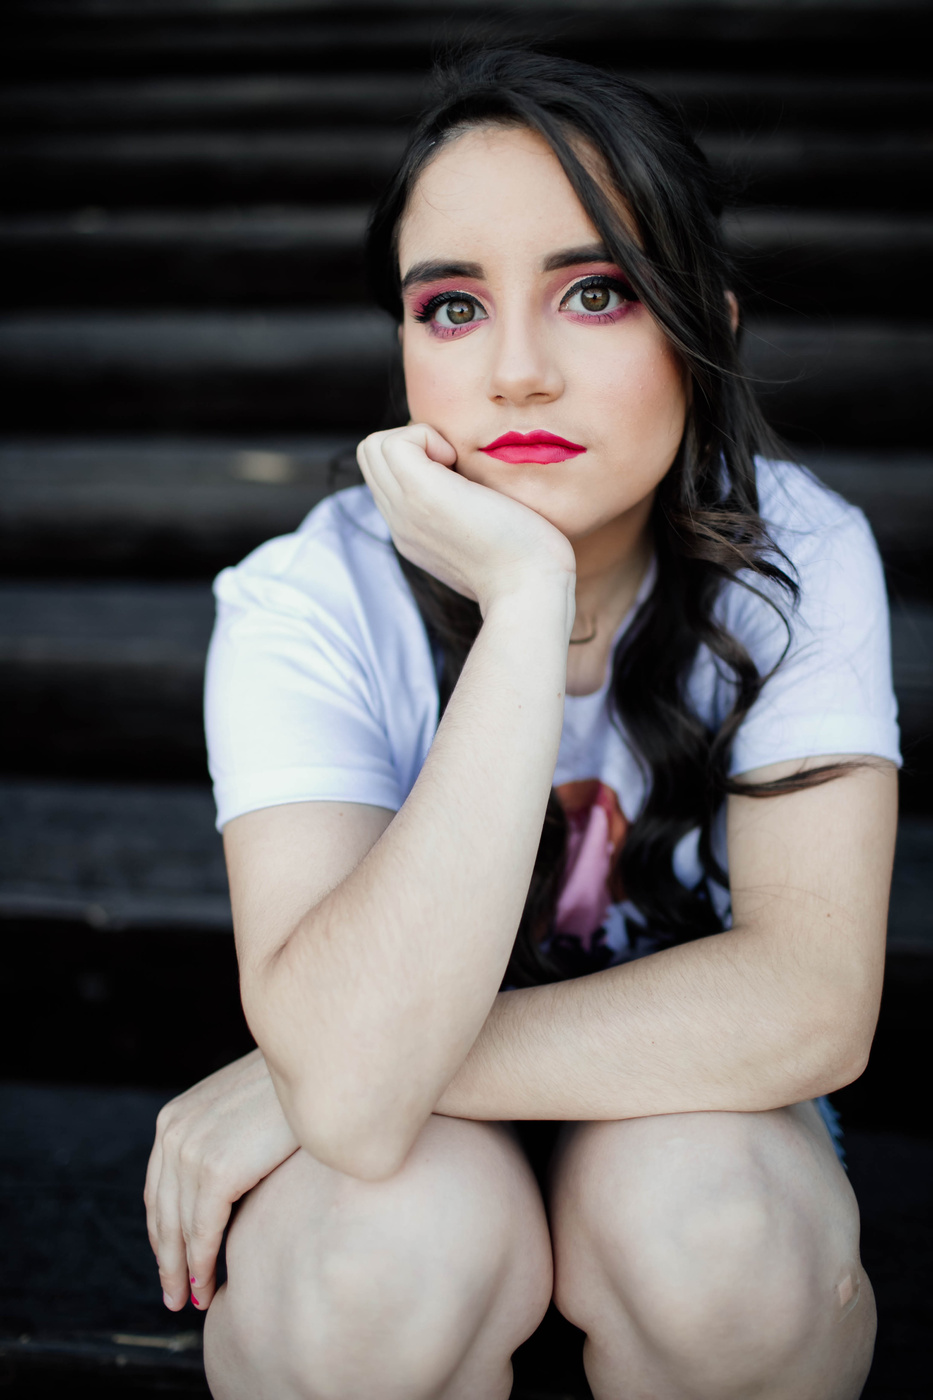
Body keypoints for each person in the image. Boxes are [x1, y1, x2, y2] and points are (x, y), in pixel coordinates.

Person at [145, 49, 900, 1400]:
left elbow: (811, 1001)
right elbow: (359, 1106)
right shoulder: (306, 598)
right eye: (450, 307)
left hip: (698, 1107)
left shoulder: (797, 553)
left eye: (594, 291)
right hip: (411, 1168)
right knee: (363, 1278)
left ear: (709, 329)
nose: (515, 373)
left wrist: (307, 1077)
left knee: (724, 1246)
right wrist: (524, 597)